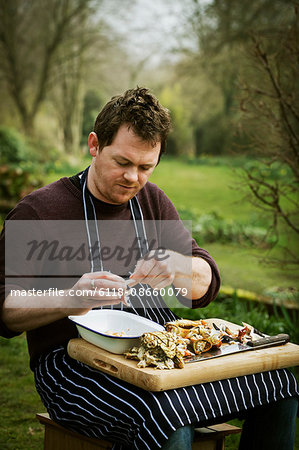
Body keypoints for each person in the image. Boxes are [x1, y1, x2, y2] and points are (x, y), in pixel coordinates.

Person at [0, 87, 297, 450]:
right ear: (94, 144)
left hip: (160, 353)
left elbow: (207, 282)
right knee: (169, 421)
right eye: (122, 163)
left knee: (279, 387)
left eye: (145, 167)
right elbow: (5, 311)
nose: (133, 178)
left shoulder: (152, 200)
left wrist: (180, 267)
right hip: (72, 367)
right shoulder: (39, 212)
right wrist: (69, 298)